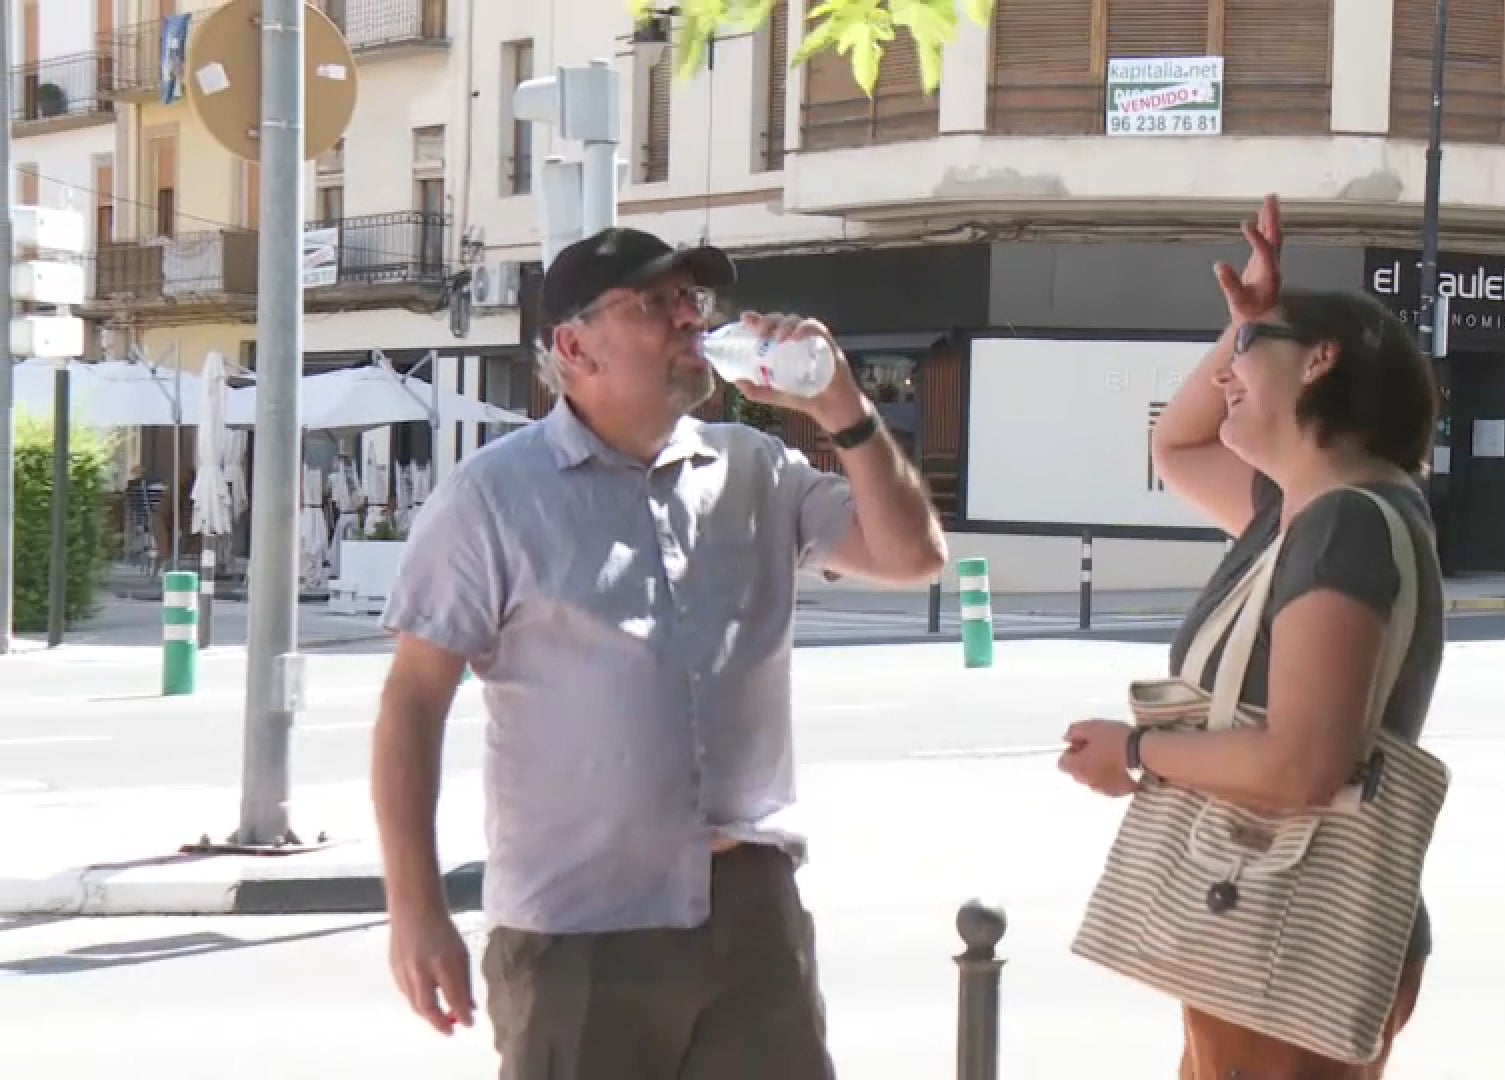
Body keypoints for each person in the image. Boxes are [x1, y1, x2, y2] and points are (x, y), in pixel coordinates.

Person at [370, 226, 947, 1078]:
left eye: (691, 299)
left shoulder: (756, 468)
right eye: (654, 303)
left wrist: (846, 413)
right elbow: (413, 702)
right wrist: (416, 909)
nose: (689, 319)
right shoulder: (492, 497)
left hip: (750, 916)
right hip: (580, 927)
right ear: (575, 348)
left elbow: (913, 557)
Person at [1057, 196, 1445, 1079]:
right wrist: (1250, 320)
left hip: (1292, 925)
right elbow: (1177, 443)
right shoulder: (1301, 511)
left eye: (1247, 352)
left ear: (1321, 360)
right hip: (1265, 917)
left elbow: (1305, 764)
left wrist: (1138, 752)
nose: (1227, 370)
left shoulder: (1344, 524)